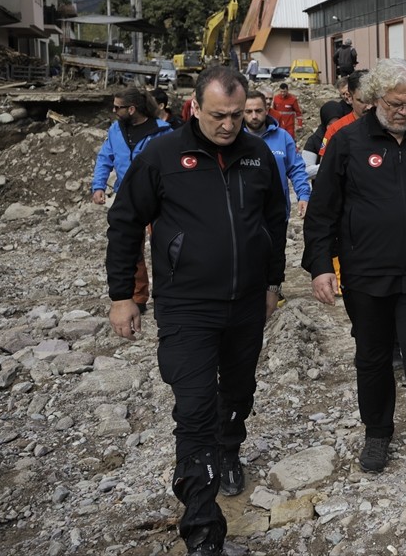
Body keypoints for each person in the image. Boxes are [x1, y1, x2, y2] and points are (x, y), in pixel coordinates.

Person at [106, 66, 287, 556]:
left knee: (239, 391)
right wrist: (124, 295)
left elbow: (274, 220)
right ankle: (203, 529)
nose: (228, 125)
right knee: (194, 410)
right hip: (187, 306)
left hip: (247, 303)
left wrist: (272, 283)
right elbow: (125, 222)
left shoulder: (257, 155)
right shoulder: (162, 155)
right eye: (218, 116)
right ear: (194, 107)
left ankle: (229, 450)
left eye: (236, 115)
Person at [303, 58, 406, 495]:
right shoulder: (348, 141)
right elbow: (322, 211)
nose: (404, 111)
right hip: (366, 272)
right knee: (373, 357)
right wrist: (321, 265)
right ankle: (377, 433)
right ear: (376, 99)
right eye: (396, 104)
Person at [92, 88, 173, 309]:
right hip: (127, 197)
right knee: (131, 248)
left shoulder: (162, 131)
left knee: (164, 245)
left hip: (159, 198)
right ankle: (138, 297)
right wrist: (98, 186)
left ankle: (169, 292)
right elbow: (105, 157)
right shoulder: (115, 130)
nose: (113, 110)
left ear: (132, 109)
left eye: (117, 107)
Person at [243, 89, 310, 220]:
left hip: (277, 212)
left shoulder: (283, 137)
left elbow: (296, 169)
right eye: (249, 111)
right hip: (244, 214)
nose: (254, 116)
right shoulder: (235, 139)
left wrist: (303, 196)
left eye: (258, 111)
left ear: (266, 110)